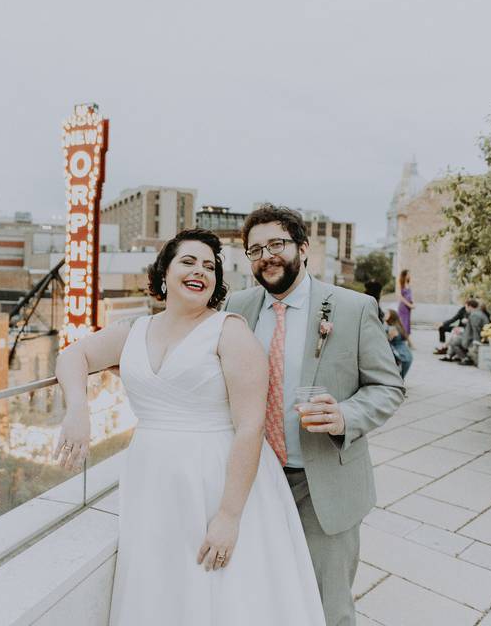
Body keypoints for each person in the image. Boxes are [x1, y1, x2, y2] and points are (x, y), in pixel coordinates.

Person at [55, 229, 326, 626]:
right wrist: (78, 409)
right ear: (164, 273)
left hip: (217, 479)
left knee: (225, 592)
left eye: (209, 266)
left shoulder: (230, 332)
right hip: (152, 479)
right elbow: (73, 355)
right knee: (164, 588)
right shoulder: (133, 331)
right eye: (188, 261)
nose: (201, 271)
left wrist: (229, 516)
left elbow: (250, 427)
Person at [223, 205, 406, 626]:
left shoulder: (353, 307)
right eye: (255, 249)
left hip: (323, 482)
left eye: (276, 244)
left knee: (328, 605)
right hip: (256, 481)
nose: (266, 255)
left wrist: (345, 415)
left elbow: (389, 386)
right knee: (263, 596)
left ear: (303, 248)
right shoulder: (236, 307)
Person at [442, 298, 490, 366]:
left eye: (466, 307)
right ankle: (450, 356)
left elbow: (476, 330)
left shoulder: (475, 315)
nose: (465, 309)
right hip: (471, 337)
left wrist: (476, 343)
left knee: (454, 342)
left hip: (472, 340)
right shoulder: (478, 313)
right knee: (455, 338)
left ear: (470, 307)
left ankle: (465, 359)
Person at [385, 310, 413, 378]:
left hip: (399, 351)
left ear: (391, 316)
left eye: (387, 314)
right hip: (405, 352)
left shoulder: (393, 328)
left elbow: (387, 341)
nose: (385, 314)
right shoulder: (397, 325)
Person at [397, 269, 414, 346]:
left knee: (407, 324)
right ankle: (410, 343)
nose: (409, 275)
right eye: (408, 274)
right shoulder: (401, 284)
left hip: (408, 308)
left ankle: (407, 341)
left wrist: (412, 303)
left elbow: (410, 296)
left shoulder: (408, 284)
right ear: (405, 275)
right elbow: (400, 297)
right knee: (403, 324)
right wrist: (409, 304)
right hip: (403, 307)